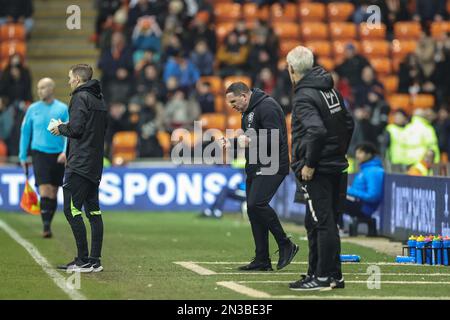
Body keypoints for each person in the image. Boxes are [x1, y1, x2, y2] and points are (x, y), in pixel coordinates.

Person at [287, 46, 354, 291]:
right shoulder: (330, 91)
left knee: (321, 222)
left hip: (319, 170)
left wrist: (310, 163)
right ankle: (329, 274)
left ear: (291, 69)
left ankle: (322, 277)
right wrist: (338, 151)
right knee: (319, 222)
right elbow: (349, 122)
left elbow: (316, 131)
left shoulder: (304, 96)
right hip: (336, 165)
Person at [221, 82, 298, 271]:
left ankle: (285, 243)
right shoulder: (247, 111)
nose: (232, 106)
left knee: (257, 204)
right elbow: (250, 140)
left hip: (272, 165)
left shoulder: (268, 106)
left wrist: (246, 141)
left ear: (244, 97)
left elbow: (276, 138)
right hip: (256, 165)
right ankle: (262, 259)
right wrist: (234, 142)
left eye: (233, 101)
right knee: (254, 210)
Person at [50, 64, 108, 273]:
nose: (68, 81)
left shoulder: (79, 97)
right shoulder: (99, 99)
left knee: (71, 209)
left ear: (76, 79)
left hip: (80, 164)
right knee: (93, 211)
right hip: (94, 163)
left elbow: (76, 129)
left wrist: (60, 128)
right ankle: (95, 260)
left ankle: (83, 260)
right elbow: (96, 129)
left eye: (69, 78)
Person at [19, 78, 69, 238]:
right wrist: (22, 155)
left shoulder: (62, 108)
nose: (40, 91)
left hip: (57, 155)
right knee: (45, 188)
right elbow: (25, 132)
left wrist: (65, 151)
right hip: (39, 153)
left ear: (51, 89)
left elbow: (70, 131)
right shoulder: (33, 109)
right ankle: (46, 226)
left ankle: (48, 222)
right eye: (38, 88)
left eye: (43, 88)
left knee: (54, 191)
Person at [346, 143, 385, 237]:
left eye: (360, 152)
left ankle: (339, 229)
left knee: (335, 199)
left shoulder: (374, 171)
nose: (357, 155)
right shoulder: (365, 169)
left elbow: (373, 196)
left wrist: (348, 190)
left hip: (364, 207)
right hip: (358, 203)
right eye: (356, 152)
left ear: (369, 154)